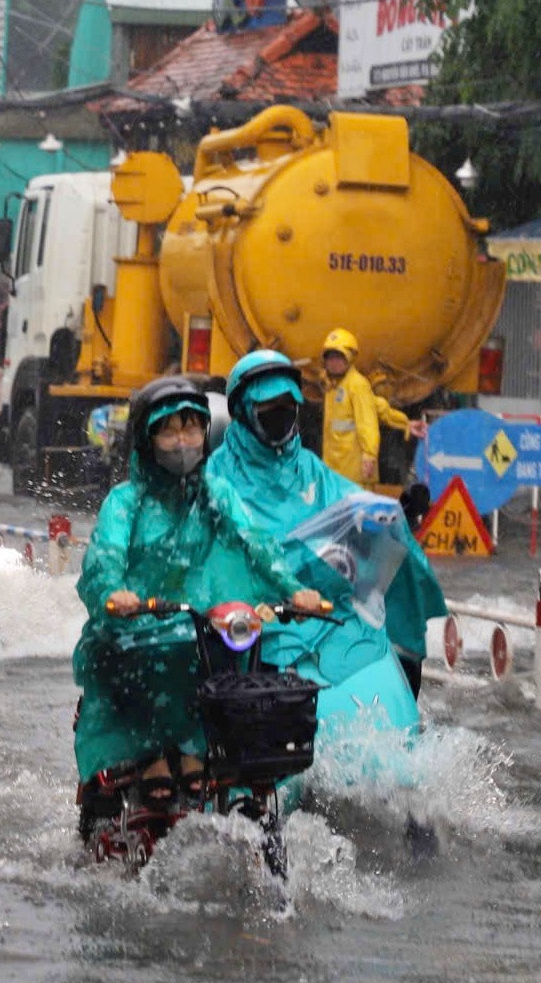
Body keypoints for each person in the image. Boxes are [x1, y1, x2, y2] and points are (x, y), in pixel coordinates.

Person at [72, 375, 322, 815]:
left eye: (191, 429)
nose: (182, 441)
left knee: (239, 664)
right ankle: (149, 757)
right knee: (141, 657)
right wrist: (115, 593)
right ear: (147, 439)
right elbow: (104, 559)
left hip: (202, 626)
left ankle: (201, 753)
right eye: (169, 430)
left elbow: (256, 544)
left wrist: (295, 591)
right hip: (133, 630)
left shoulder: (215, 492)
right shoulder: (125, 501)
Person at [208, 349, 448, 697]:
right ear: (244, 411)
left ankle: (403, 659)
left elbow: (348, 501)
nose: (281, 416)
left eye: (288, 406)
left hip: (327, 608)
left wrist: (387, 517)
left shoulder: (306, 465)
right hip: (259, 614)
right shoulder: (219, 472)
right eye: (268, 408)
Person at [319, 327, 383, 484]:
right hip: (335, 471)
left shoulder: (358, 385)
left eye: (339, 357)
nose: (334, 363)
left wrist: (369, 454)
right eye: (330, 358)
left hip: (355, 474)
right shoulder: (332, 387)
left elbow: (367, 422)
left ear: (349, 358)